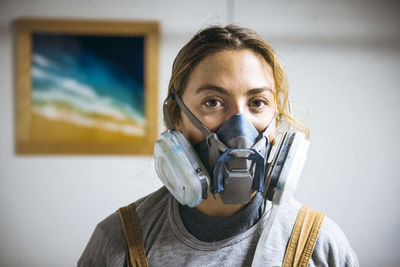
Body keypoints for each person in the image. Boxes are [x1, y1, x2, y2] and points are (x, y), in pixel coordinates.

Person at [78, 25, 359, 267]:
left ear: (277, 118)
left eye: (257, 103)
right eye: (213, 102)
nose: (240, 126)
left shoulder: (321, 246)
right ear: (176, 116)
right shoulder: (119, 241)